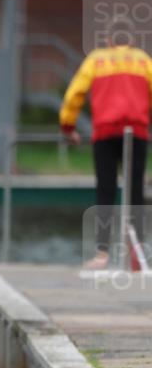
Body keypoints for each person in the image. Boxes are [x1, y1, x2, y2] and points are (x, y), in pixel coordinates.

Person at [61, 16, 152, 269]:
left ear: (109, 39)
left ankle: (102, 254)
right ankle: (136, 254)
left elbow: (74, 95)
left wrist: (68, 126)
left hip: (105, 133)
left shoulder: (96, 61)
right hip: (136, 133)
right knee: (135, 191)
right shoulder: (143, 60)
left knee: (106, 189)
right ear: (131, 39)